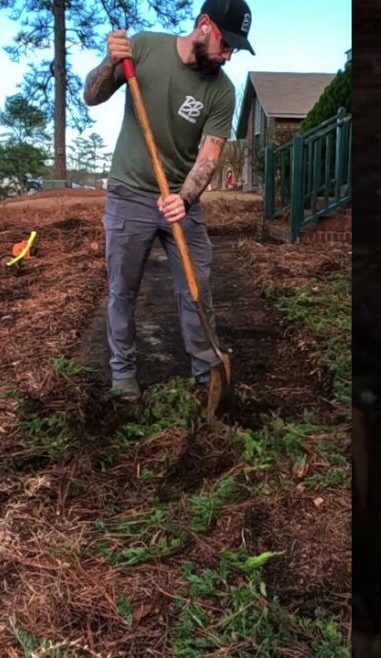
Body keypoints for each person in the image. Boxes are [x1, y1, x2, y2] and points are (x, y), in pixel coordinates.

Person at [83, 0, 254, 399]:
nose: (228, 55)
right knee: (122, 290)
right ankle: (123, 375)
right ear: (205, 26)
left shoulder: (223, 91)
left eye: (234, 49)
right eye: (226, 44)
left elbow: (209, 158)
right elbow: (92, 96)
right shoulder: (145, 48)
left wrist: (185, 198)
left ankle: (206, 373)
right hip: (128, 195)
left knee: (197, 289)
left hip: (181, 200)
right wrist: (111, 61)